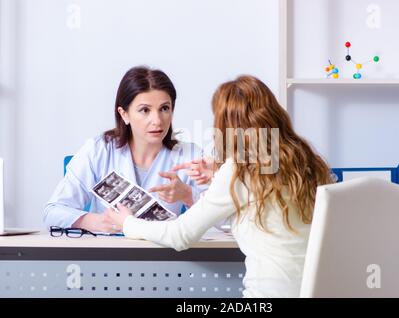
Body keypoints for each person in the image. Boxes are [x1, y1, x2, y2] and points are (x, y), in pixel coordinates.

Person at [105, 75, 334, 297]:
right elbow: (261, 203)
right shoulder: (305, 158)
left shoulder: (239, 169)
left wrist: (127, 223)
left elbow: (180, 235)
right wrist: (218, 177)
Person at [44, 66, 208, 233]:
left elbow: (226, 221)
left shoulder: (190, 156)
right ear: (124, 114)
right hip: (110, 253)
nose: (157, 120)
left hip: (163, 254)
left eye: (164, 108)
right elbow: (53, 212)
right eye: (145, 110)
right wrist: (96, 222)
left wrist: (188, 195)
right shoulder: (99, 151)